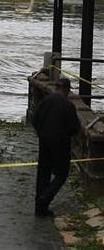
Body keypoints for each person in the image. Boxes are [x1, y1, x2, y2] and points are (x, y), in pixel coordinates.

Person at [32, 77, 80, 217]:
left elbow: (35, 120)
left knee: (43, 173)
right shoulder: (68, 105)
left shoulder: (45, 101)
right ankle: (45, 198)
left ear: (56, 87)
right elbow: (74, 128)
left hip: (44, 140)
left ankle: (39, 209)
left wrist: (41, 132)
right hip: (60, 143)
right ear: (66, 89)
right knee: (61, 174)